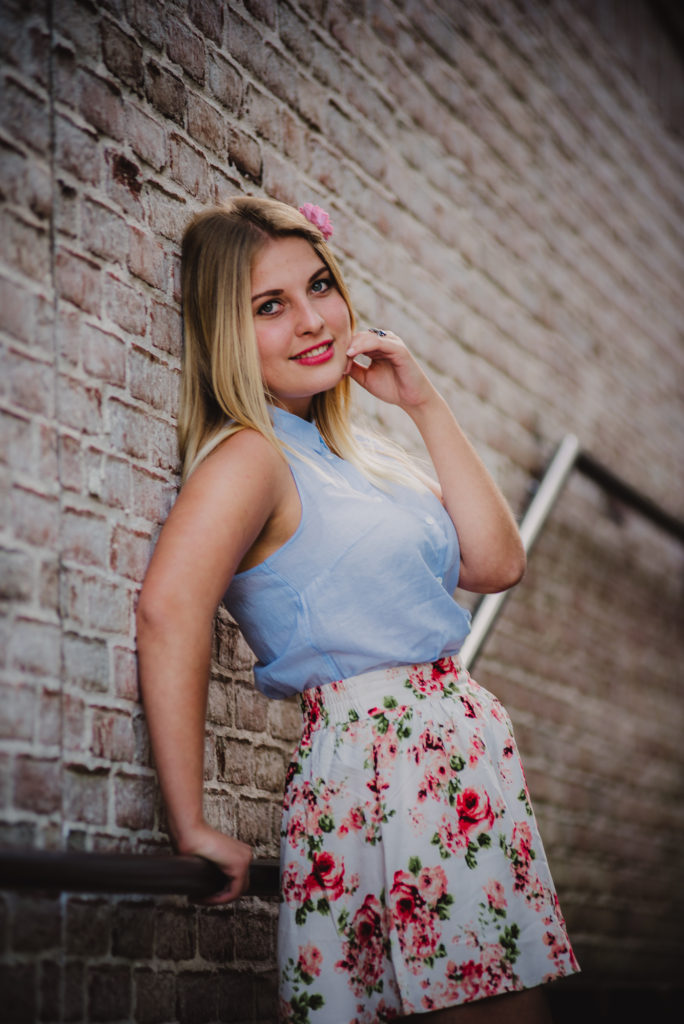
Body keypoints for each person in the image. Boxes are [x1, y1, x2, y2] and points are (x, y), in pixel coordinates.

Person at [137, 196, 579, 1023]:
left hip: (452, 763)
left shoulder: (353, 451)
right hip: (386, 769)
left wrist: (422, 401)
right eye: (270, 306)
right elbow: (168, 609)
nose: (313, 320)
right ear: (225, 331)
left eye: (319, 286)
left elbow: (496, 562)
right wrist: (188, 819)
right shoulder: (250, 455)